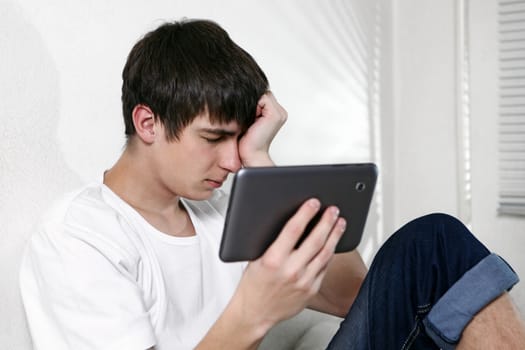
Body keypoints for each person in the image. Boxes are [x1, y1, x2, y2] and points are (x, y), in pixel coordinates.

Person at [20, 18, 525, 350]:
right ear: (148, 123)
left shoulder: (222, 206)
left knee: (434, 240)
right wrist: (253, 311)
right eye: (214, 138)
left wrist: (261, 158)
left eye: (238, 140)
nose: (228, 160)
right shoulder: (79, 236)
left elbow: (354, 295)